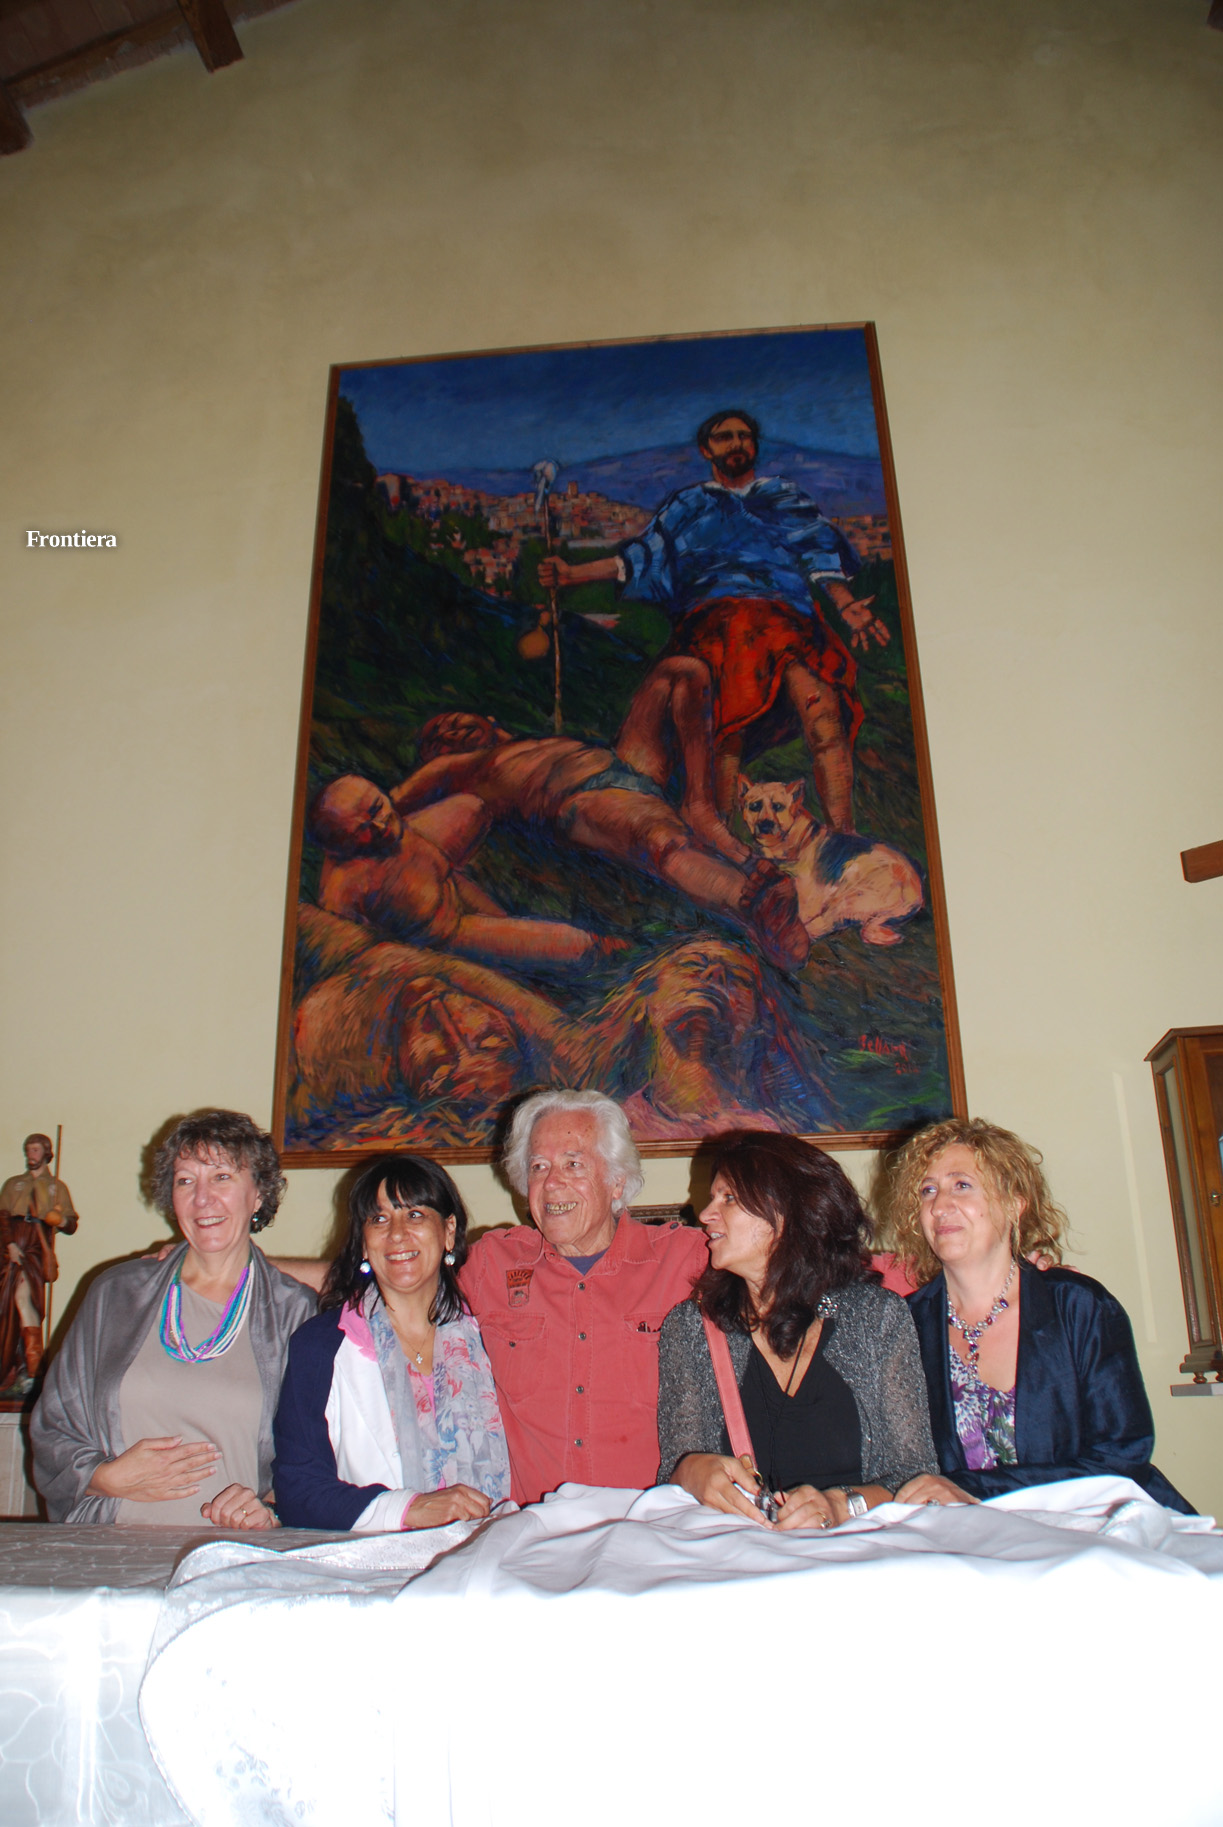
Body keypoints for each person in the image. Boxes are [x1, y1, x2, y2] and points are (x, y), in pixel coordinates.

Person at [540, 409, 889, 835]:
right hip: (717, 624)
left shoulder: (783, 496)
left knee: (825, 717)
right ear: (707, 449)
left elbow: (820, 554)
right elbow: (641, 558)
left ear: (755, 446)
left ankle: (843, 838)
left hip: (787, 620)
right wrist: (572, 575)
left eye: (744, 436)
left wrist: (847, 604)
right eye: (725, 437)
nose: (736, 444)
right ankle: (720, 838)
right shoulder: (688, 505)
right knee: (727, 731)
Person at [881, 1116, 1193, 1512]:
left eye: (962, 1185)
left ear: (1014, 1204)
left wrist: (975, 1489)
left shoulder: (1078, 1306)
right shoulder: (906, 1325)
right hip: (969, 1537)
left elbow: (1122, 1457)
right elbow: (896, 1464)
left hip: (1101, 1525)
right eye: (928, 1190)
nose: (940, 1205)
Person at [31, 1111, 315, 1526]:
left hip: (230, 1553)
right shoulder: (116, 1294)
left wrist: (271, 1508)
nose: (202, 1198)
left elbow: (315, 1454)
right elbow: (53, 1424)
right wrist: (103, 1477)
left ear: (258, 1194)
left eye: (222, 1177)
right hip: (106, 1550)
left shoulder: (296, 1312)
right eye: (185, 1181)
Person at [656, 1130, 938, 1526]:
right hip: (740, 1553)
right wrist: (690, 1472)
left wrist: (840, 1506)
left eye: (729, 1198)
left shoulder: (877, 1318)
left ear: (788, 1213)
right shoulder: (690, 1329)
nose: (705, 1214)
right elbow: (675, 1474)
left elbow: (916, 1477)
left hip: (862, 1550)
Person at [385, 712, 810, 971]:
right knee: (664, 846)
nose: (449, 728)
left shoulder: (531, 742)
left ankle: (781, 933)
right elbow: (390, 804)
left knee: (681, 671)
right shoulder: (460, 767)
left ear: (492, 721)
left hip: (623, 773)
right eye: (437, 737)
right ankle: (749, 901)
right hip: (577, 799)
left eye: (452, 719)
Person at [459, 1090, 708, 1504]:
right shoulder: (490, 1265)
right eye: (538, 1167)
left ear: (617, 1182)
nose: (552, 1183)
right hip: (533, 1528)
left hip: (651, 1525)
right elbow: (404, 1296)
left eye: (573, 1164)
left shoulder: (685, 1260)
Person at [272, 1154, 508, 1530]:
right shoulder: (319, 1347)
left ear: (448, 1231)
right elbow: (297, 1491)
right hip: (374, 1560)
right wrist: (406, 1509)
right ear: (364, 1244)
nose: (397, 1234)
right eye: (378, 1219)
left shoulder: (494, 1336)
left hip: (493, 1553)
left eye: (415, 1215)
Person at [309, 772, 616, 971]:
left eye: (378, 807)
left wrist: (504, 924)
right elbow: (363, 962)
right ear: (339, 846)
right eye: (361, 830)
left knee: (561, 945)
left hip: (459, 912)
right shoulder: (342, 890)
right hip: (443, 950)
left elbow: (446, 876)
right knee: (576, 946)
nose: (380, 826)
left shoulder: (399, 831)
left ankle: (610, 954)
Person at [0, 1131, 78, 1388]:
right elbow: (2, 1216)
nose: (30, 1154)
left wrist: (60, 1219)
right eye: (28, 1149)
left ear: (46, 1152)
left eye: (35, 1150)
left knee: (26, 1298)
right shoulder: (14, 1184)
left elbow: (71, 1223)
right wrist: (10, 1244)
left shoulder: (56, 1187)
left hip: (36, 1245)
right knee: (8, 1306)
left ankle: (32, 1369)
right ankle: (23, 1367)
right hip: (11, 1242)